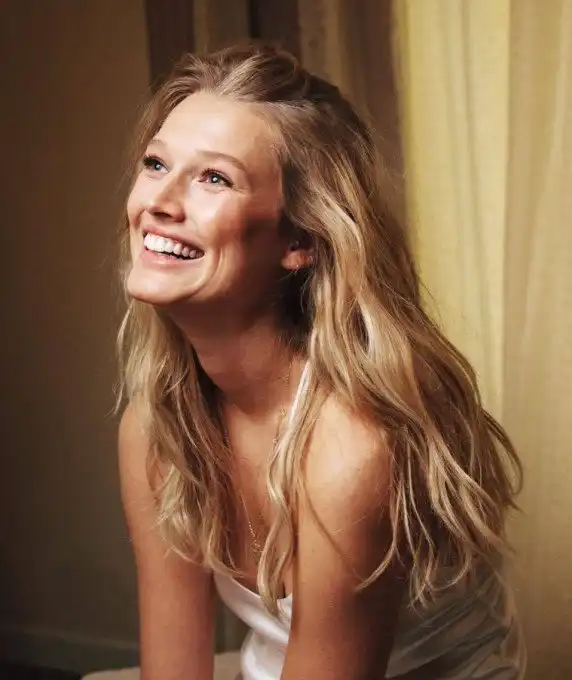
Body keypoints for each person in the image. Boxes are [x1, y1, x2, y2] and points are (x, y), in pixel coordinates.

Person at [116, 43, 525, 680]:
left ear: (300, 239)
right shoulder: (158, 426)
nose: (160, 202)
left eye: (215, 178)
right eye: (156, 163)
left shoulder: (351, 448)